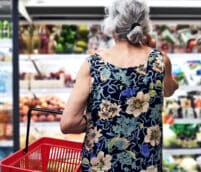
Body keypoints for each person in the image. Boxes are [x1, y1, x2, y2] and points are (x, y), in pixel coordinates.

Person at [60, 0, 178, 171]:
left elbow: (68, 123)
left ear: (112, 26)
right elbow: (169, 90)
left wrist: (99, 118)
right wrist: (174, 83)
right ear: (144, 25)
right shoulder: (160, 61)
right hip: (145, 166)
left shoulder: (94, 64)